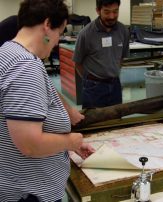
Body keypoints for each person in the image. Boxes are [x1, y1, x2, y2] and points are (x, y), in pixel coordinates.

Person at [0, 0, 95, 201]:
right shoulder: (24, 67)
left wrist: (67, 145)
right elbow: (29, 145)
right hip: (27, 193)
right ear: (47, 25)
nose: (57, 42)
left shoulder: (8, 52)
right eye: (58, 34)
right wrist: (70, 140)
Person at [73, 0, 130, 109]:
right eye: (107, 12)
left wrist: (113, 73)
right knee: (94, 123)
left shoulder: (123, 31)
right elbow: (77, 63)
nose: (112, 16)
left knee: (116, 121)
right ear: (98, 11)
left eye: (115, 11)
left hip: (115, 85)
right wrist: (89, 81)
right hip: (93, 88)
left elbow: (121, 57)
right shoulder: (86, 34)